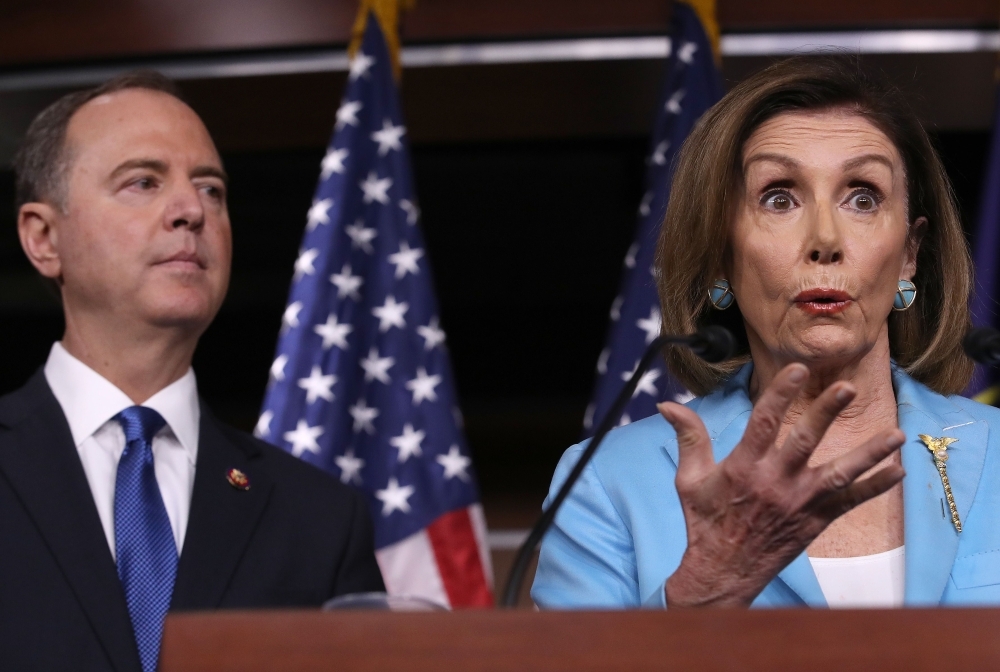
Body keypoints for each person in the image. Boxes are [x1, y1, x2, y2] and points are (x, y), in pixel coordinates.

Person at [532, 56, 1000, 609]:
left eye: (863, 197)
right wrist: (698, 601)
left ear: (909, 256)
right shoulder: (607, 484)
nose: (825, 239)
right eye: (778, 197)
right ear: (721, 258)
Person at [0, 72, 384, 671]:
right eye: (143, 182)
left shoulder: (320, 519)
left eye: (211, 190)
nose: (190, 211)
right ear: (44, 238)